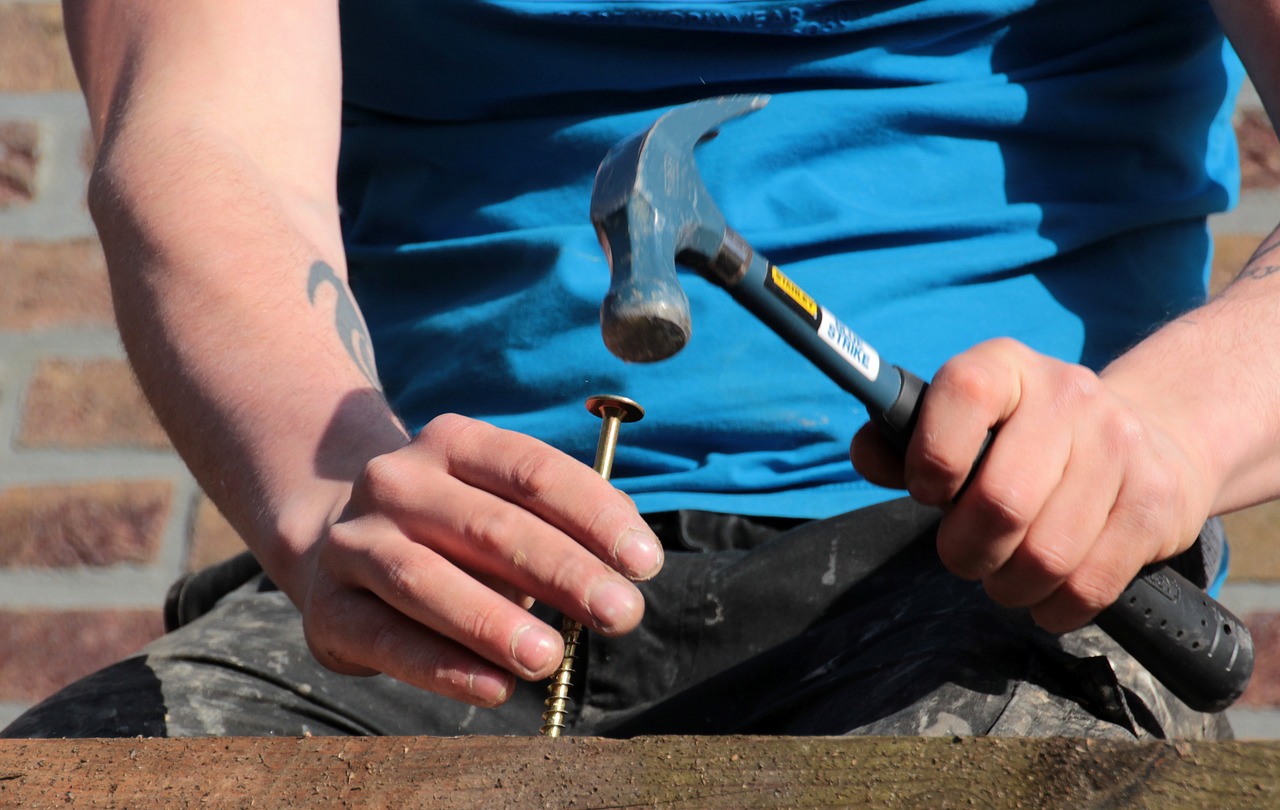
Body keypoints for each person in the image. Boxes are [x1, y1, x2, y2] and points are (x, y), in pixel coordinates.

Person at [5, 0, 1279, 739]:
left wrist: (1161, 435)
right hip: (436, 581)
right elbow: (196, 132)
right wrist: (326, 479)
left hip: (967, 580)